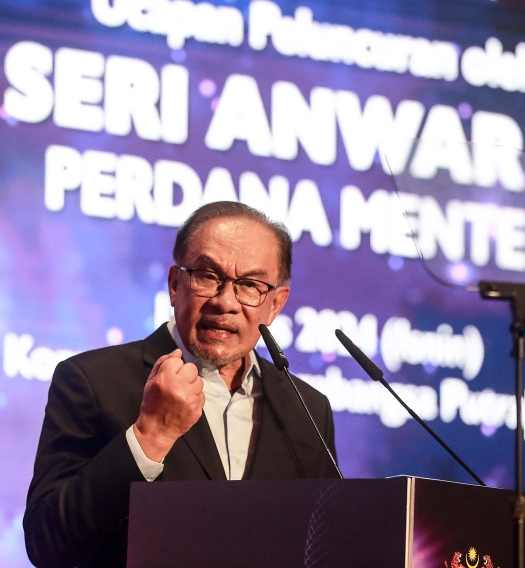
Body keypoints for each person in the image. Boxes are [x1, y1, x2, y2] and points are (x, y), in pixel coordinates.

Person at [23, 201, 340, 568]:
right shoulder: (93, 381)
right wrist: (150, 436)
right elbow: (47, 543)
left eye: (250, 285)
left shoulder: (308, 409)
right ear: (175, 285)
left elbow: (327, 547)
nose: (225, 302)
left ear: (275, 304)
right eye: (207, 276)